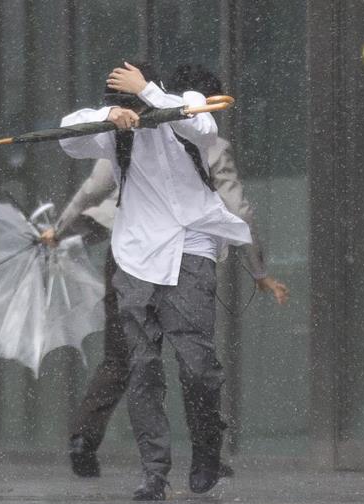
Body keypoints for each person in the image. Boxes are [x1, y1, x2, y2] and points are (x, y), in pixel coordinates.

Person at [47, 64, 289, 482]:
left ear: (149, 91)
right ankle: (154, 473)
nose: (126, 111)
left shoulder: (185, 106)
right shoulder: (115, 132)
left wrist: (149, 95)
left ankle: (207, 446)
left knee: (197, 364)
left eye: (130, 101)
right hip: (134, 258)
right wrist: (109, 118)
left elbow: (205, 129)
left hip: (191, 251)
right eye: (118, 104)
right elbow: (71, 135)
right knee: (141, 368)